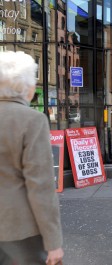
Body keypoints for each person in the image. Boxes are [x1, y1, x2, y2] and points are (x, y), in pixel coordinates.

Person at [0, 51, 64, 265]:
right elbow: (40, 185)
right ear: (25, 87)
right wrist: (53, 242)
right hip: (18, 230)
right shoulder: (31, 120)